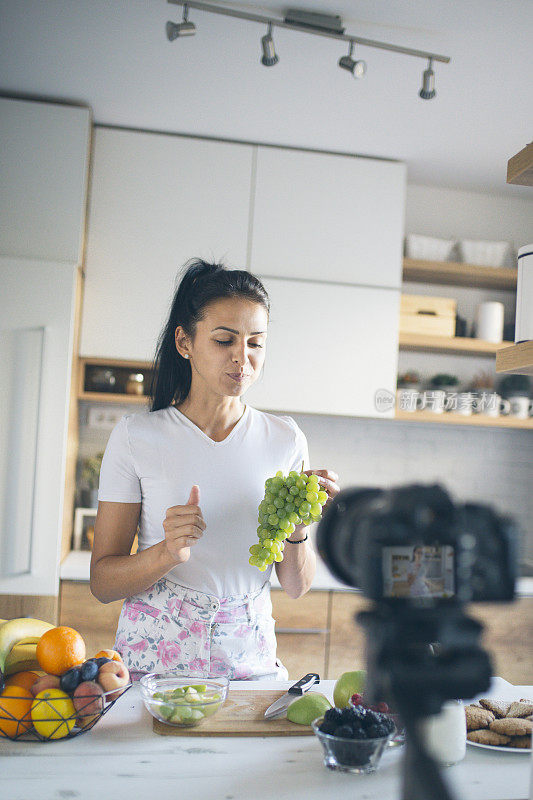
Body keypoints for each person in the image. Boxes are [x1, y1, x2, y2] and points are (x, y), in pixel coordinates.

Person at [90, 259, 340, 680]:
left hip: (249, 660)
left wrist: (297, 527)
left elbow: (296, 587)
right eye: (225, 340)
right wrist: (166, 554)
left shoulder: (285, 438)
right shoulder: (136, 437)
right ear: (184, 342)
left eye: (255, 344)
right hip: (154, 663)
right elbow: (102, 583)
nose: (242, 358)